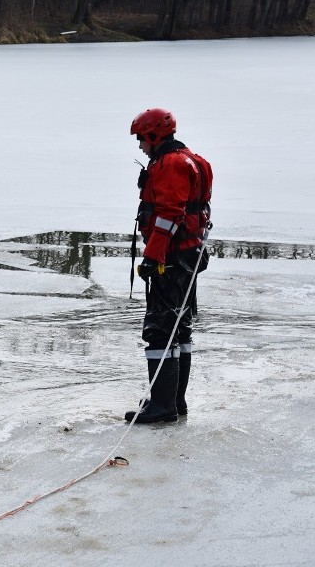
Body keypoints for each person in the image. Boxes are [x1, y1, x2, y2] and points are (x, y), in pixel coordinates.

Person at [126, 108, 212, 424]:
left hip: (172, 258)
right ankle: (172, 400)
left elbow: (169, 215)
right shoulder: (194, 160)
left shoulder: (171, 165)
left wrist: (153, 256)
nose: (139, 146)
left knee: (161, 329)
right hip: (188, 254)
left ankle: (164, 406)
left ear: (154, 135)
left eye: (140, 139)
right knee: (180, 327)